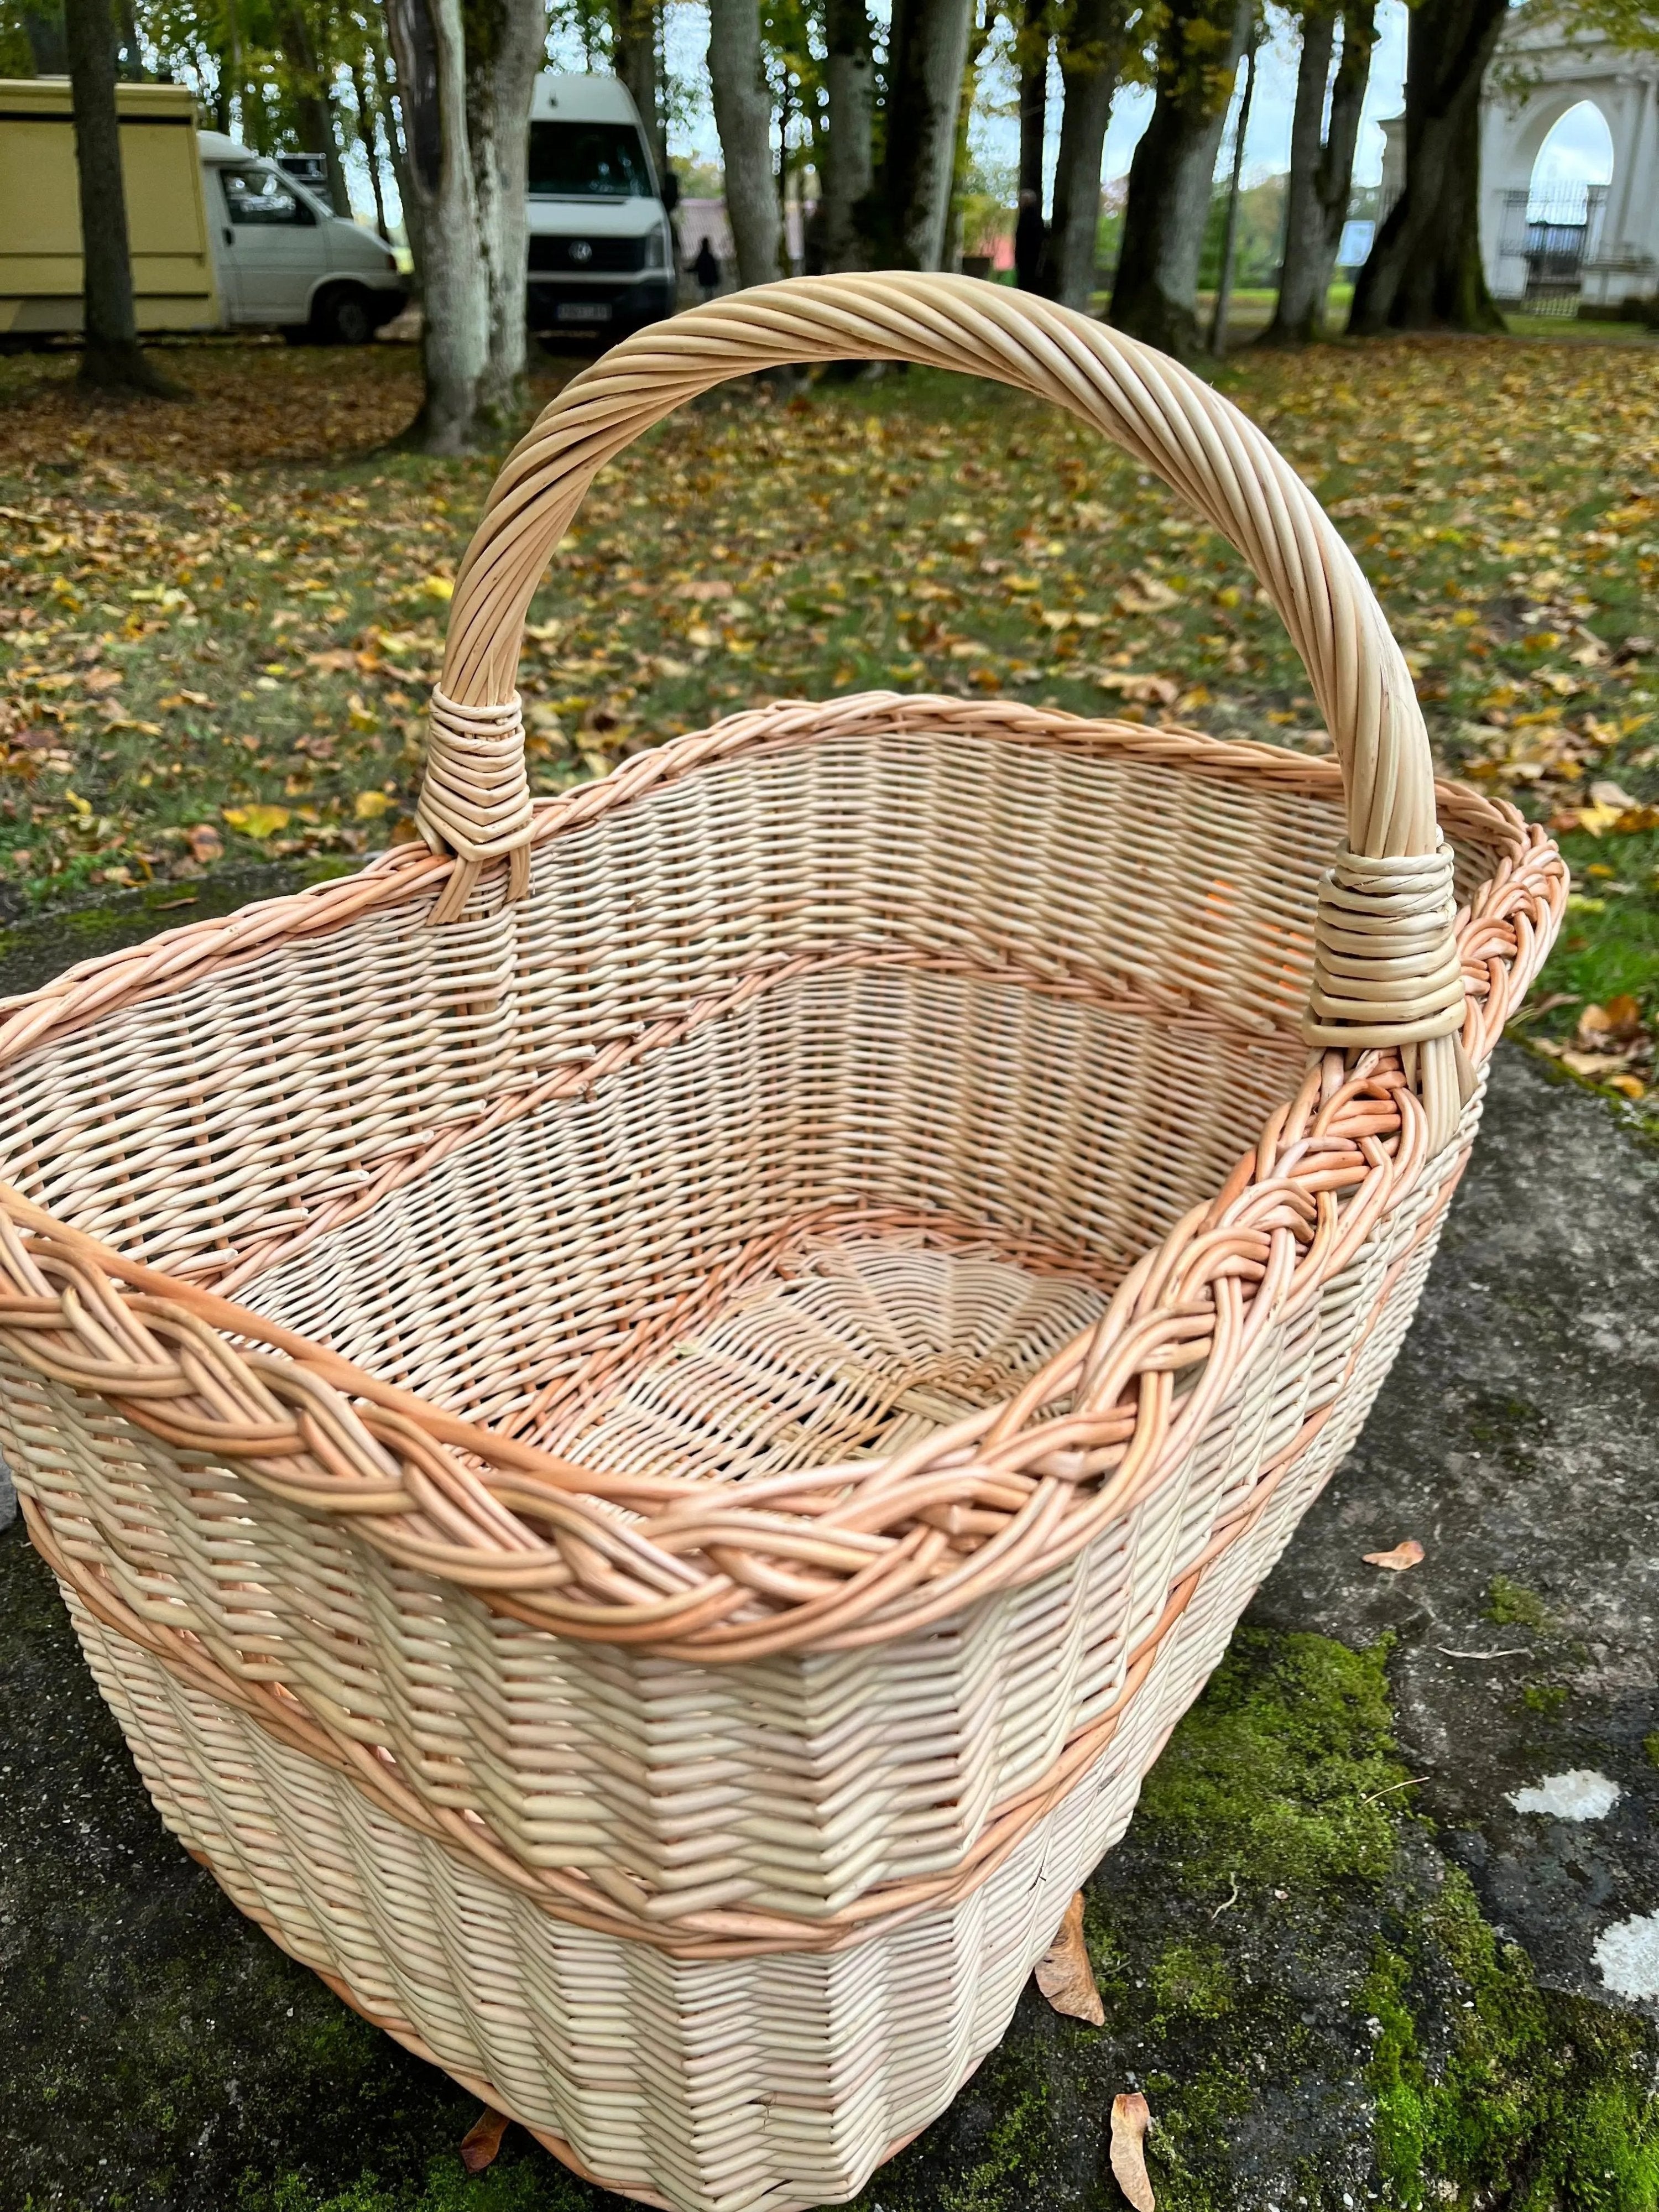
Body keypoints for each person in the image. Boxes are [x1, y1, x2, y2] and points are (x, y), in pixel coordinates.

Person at [1014, 187, 1047, 294]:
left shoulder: (1028, 217)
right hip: (1031, 257)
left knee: (1026, 283)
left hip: (1028, 257)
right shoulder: (1035, 217)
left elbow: (1024, 239)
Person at [692, 238, 722, 303]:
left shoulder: (701, 257)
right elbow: (715, 269)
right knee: (710, 295)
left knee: (706, 295)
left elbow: (697, 267)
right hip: (711, 279)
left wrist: (687, 270)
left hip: (704, 279)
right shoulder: (711, 257)